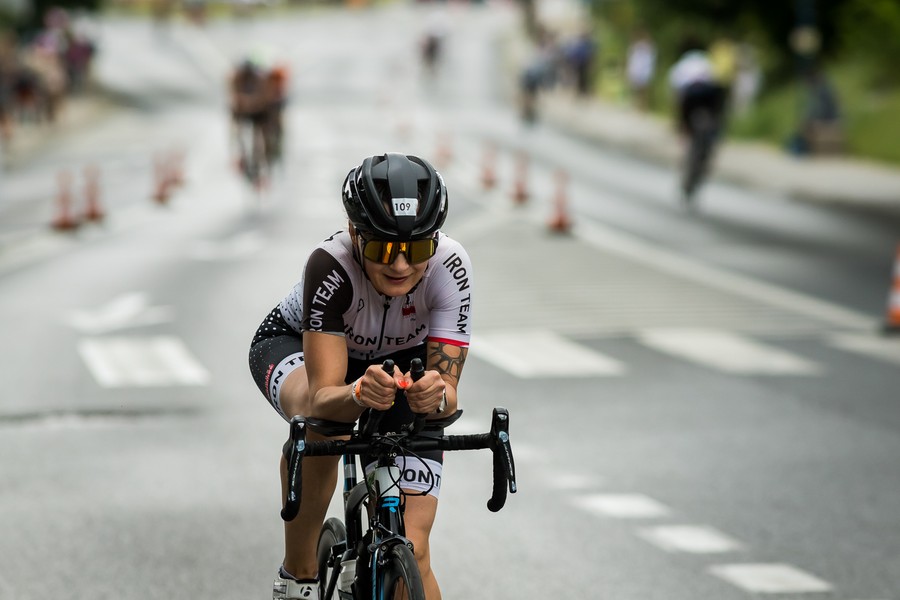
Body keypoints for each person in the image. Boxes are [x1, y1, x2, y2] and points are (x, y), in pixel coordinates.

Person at [248, 152, 473, 600]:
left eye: (416, 249)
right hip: (299, 348)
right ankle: (298, 576)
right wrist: (356, 393)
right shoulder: (330, 265)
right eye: (383, 248)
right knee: (323, 424)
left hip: (400, 360)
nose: (401, 265)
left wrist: (436, 395)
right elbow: (323, 395)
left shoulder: (451, 266)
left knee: (416, 551)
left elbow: (447, 391)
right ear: (355, 233)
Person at [668, 37, 727, 204]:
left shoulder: (679, 66)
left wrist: (680, 124)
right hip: (710, 95)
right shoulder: (706, 60)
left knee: (687, 133)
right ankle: (709, 150)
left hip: (691, 96)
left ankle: (690, 157)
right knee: (712, 130)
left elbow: (677, 98)